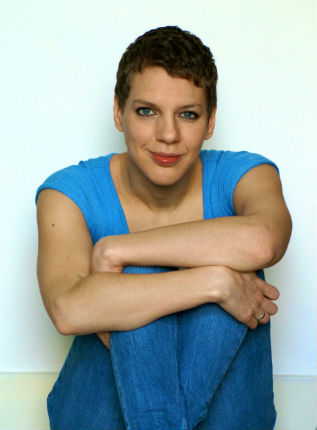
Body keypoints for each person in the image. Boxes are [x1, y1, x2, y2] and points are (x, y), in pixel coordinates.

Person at [35, 26, 292, 430]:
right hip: (97, 416)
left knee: (146, 279)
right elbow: (68, 309)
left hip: (230, 416)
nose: (168, 135)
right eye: (146, 111)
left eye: (187, 114)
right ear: (118, 112)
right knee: (186, 274)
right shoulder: (69, 191)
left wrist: (116, 251)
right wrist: (216, 282)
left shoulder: (246, 173)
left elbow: (263, 240)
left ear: (209, 123)